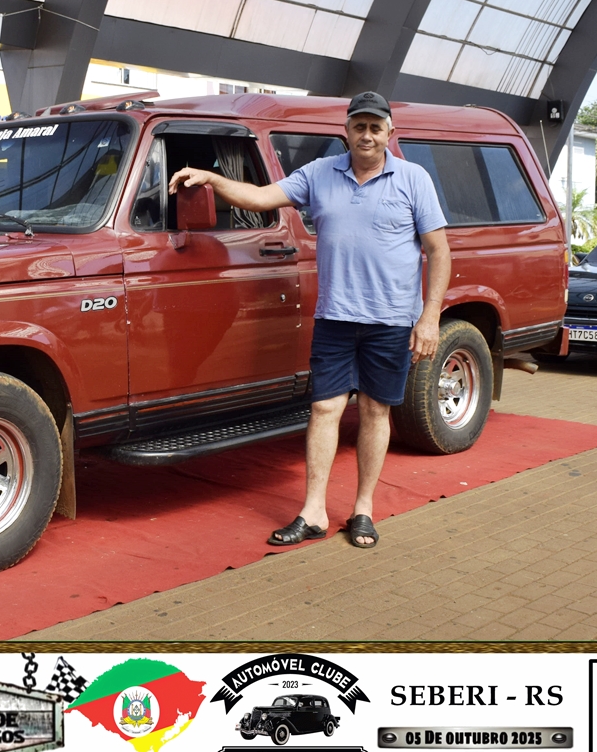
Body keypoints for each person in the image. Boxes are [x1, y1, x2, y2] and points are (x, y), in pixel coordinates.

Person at [166, 91, 450, 549]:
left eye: (376, 127)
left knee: (375, 411)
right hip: (335, 317)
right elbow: (261, 197)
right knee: (324, 409)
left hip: (391, 320)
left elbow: (439, 250)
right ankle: (314, 512)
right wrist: (211, 178)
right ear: (346, 131)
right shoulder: (320, 173)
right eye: (359, 126)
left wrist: (430, 316)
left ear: (390, 132)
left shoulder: (414, 179)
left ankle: (363, 510)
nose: (367, 135)